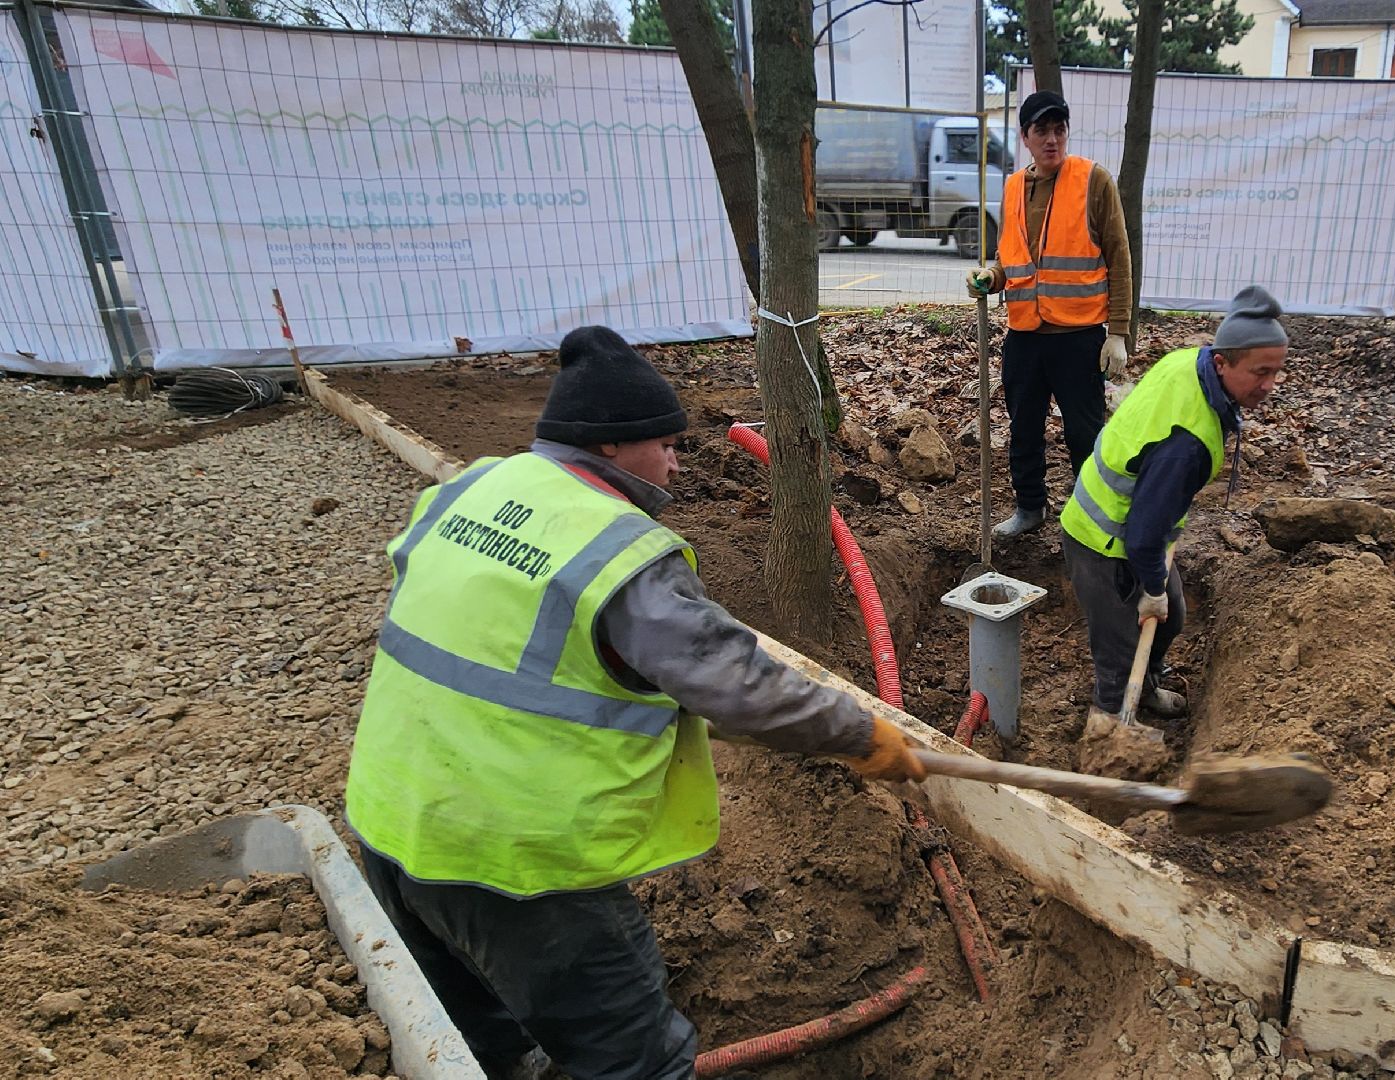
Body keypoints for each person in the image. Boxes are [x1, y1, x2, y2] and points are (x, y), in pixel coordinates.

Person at [343, 325, 925, 1080]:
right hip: (518, 863)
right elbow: (740, 687)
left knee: (475, 1040)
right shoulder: (617, 550)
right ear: (612, 447)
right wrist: (859, 734)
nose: (678, 462)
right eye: (667, 444)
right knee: (636, 1059)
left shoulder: (471, 487)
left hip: (390, 821)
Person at [1058, 285, 1289, 730]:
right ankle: (1108, 728)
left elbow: (1153, 514)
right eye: (1261, 372)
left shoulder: (1193, 362)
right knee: (1120, 648)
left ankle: (1144, 689)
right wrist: (1151, 588)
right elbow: (1144, 532)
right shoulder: (1187, 444)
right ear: (1222, 362)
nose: (1269, 385)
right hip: (1101, 540)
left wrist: (1158, 592)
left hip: (1139, 525)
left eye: (1276, 372)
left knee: (1171, 616)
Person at [965, 89, 1132, 537]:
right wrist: (992, 277)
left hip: (1078, 337)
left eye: (1060, 129)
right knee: (1023, 430)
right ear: (1025, 137)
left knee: (1084, 433)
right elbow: (1014, 260)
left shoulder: (1094, 181)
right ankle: (1030, 508)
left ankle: (1092, 516)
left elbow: (1118, 256)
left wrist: (1118, 331)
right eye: (1043, 130)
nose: (1053, 139)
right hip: (1025, 334)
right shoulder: (1014, 187)